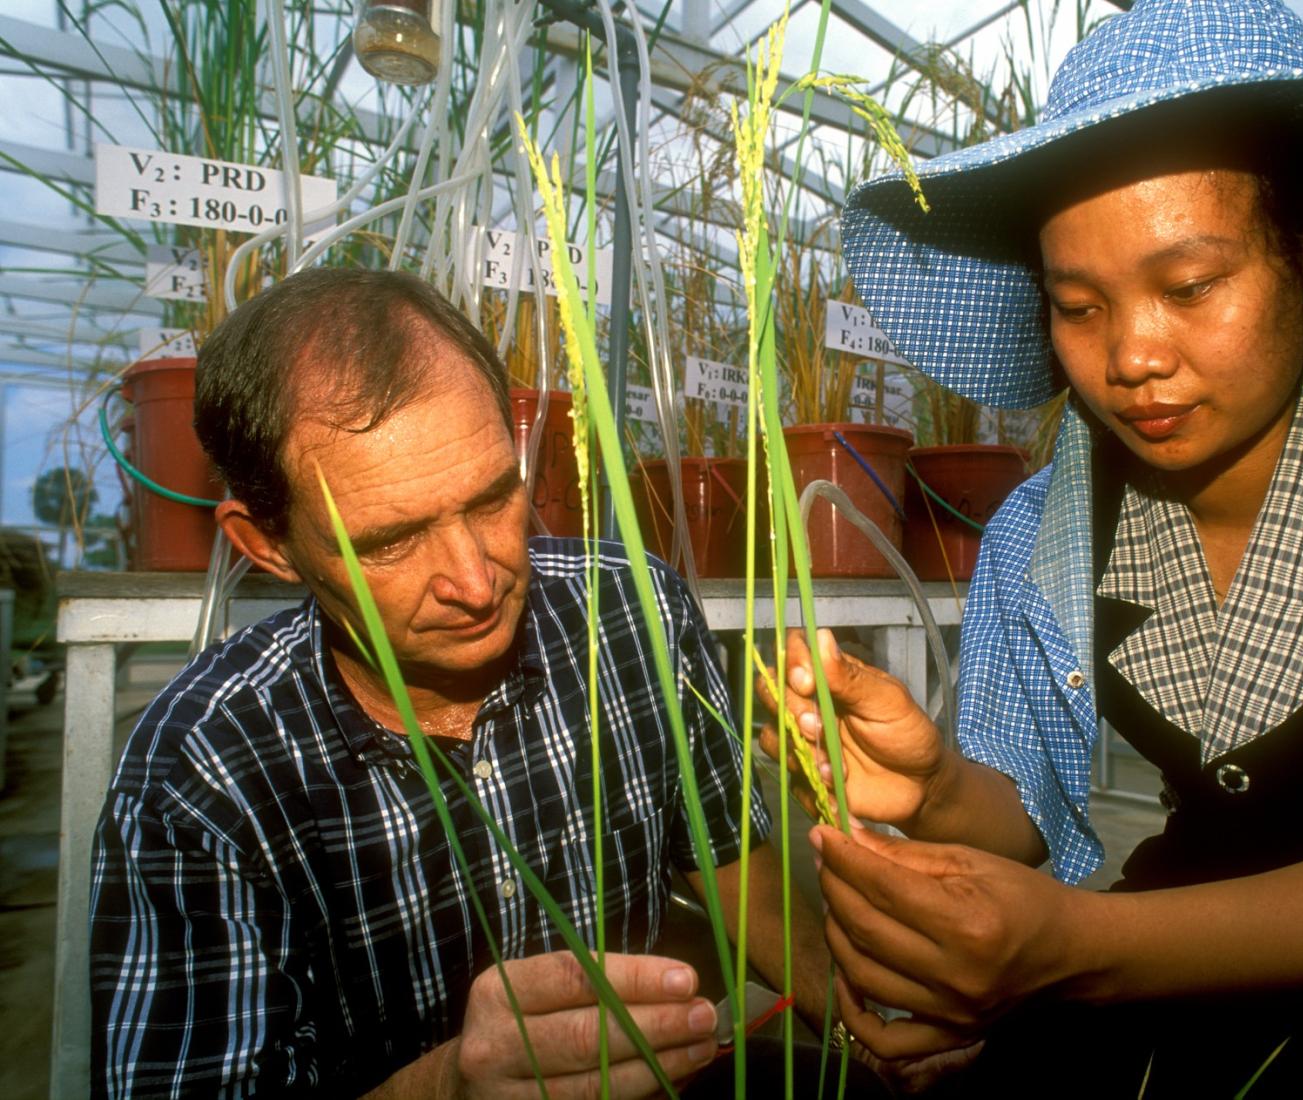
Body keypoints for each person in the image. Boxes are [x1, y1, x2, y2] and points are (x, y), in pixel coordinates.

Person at [766, 0, 1303, 1093]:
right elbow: (1023, 821)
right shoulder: (1047, 529)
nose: (1132, 355)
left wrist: (1073, 946)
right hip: (1205, 935)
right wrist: (934, 785)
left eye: (1189, 287)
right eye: (1078, 305)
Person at [88, 268, 834, 1099]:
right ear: (269, 547)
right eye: (391, 541)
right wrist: (449, 1085)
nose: (477, 583)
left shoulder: (629, 611)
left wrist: (863, 1018)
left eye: (491, 499)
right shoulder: (203, 773)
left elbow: (740, 874)